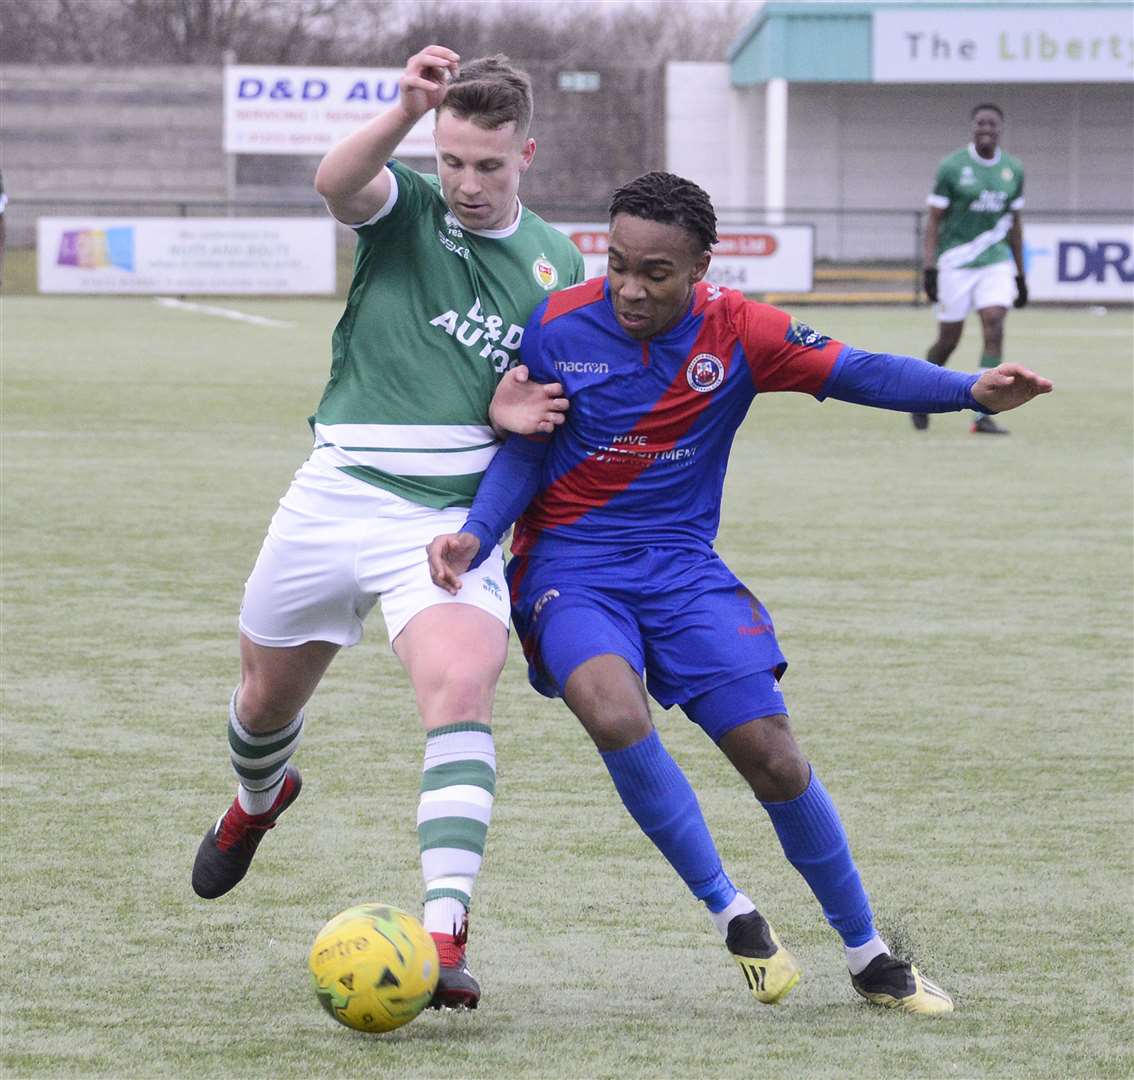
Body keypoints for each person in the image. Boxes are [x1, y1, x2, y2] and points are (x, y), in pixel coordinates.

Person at [427, 171, 1052, 1015]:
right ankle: (735, 913)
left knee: (773, 755)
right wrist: (477, 530)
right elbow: (529, 445)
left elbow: (856, 369)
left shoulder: (742, 331)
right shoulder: (558, 323)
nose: (630, 288)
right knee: (615, 711)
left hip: (683, 569)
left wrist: (967, 390)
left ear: (701, 268)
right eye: (618, 264)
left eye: (656, 271)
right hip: (569, 567)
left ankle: (869, 955)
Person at [190, 45, 586, 1012]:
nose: (466, 184)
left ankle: (443, 936)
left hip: (448, 519)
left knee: (460, 690)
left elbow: (544, 408)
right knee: (260, 704)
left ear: (524, 153)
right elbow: (337, 180)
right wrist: (405, 110)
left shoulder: (560, 265)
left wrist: (513, 415)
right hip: (334, 492)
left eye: (487, 166)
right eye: (452, 160)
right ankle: (257, 804)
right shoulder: (407, 206)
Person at [916, 103, 1028, 434]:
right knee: (948, 339)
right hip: (955, 263)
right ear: (973, 127)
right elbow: (934, 219)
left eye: (992, 124)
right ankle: (919, 395)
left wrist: (1021, 275)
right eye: (980, 123)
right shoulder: (952, 167)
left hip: (994, 261)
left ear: (1000, 129)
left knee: (994, 323)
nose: (986, 129)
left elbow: (1014, 224)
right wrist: (930, 267)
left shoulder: (1013, 169)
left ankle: (982, 414)